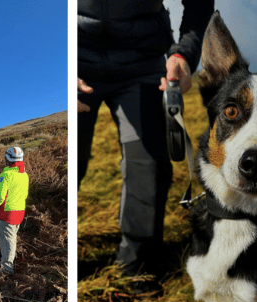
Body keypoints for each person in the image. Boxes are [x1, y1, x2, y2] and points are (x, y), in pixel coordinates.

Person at [77, 0, 214, 276]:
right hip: (75, 62)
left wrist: (183, 56)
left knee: (148, 168)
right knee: (69, 162)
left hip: (142, 65)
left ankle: (137, 269)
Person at [0, 147, 29, 274]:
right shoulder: (24, 175)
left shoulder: (5, 176)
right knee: (11, 239)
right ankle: (7, 262)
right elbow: (25, 194)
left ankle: (6, 270)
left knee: (7, 241)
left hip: (7, 214)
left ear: (7, 159)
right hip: (20, 212)